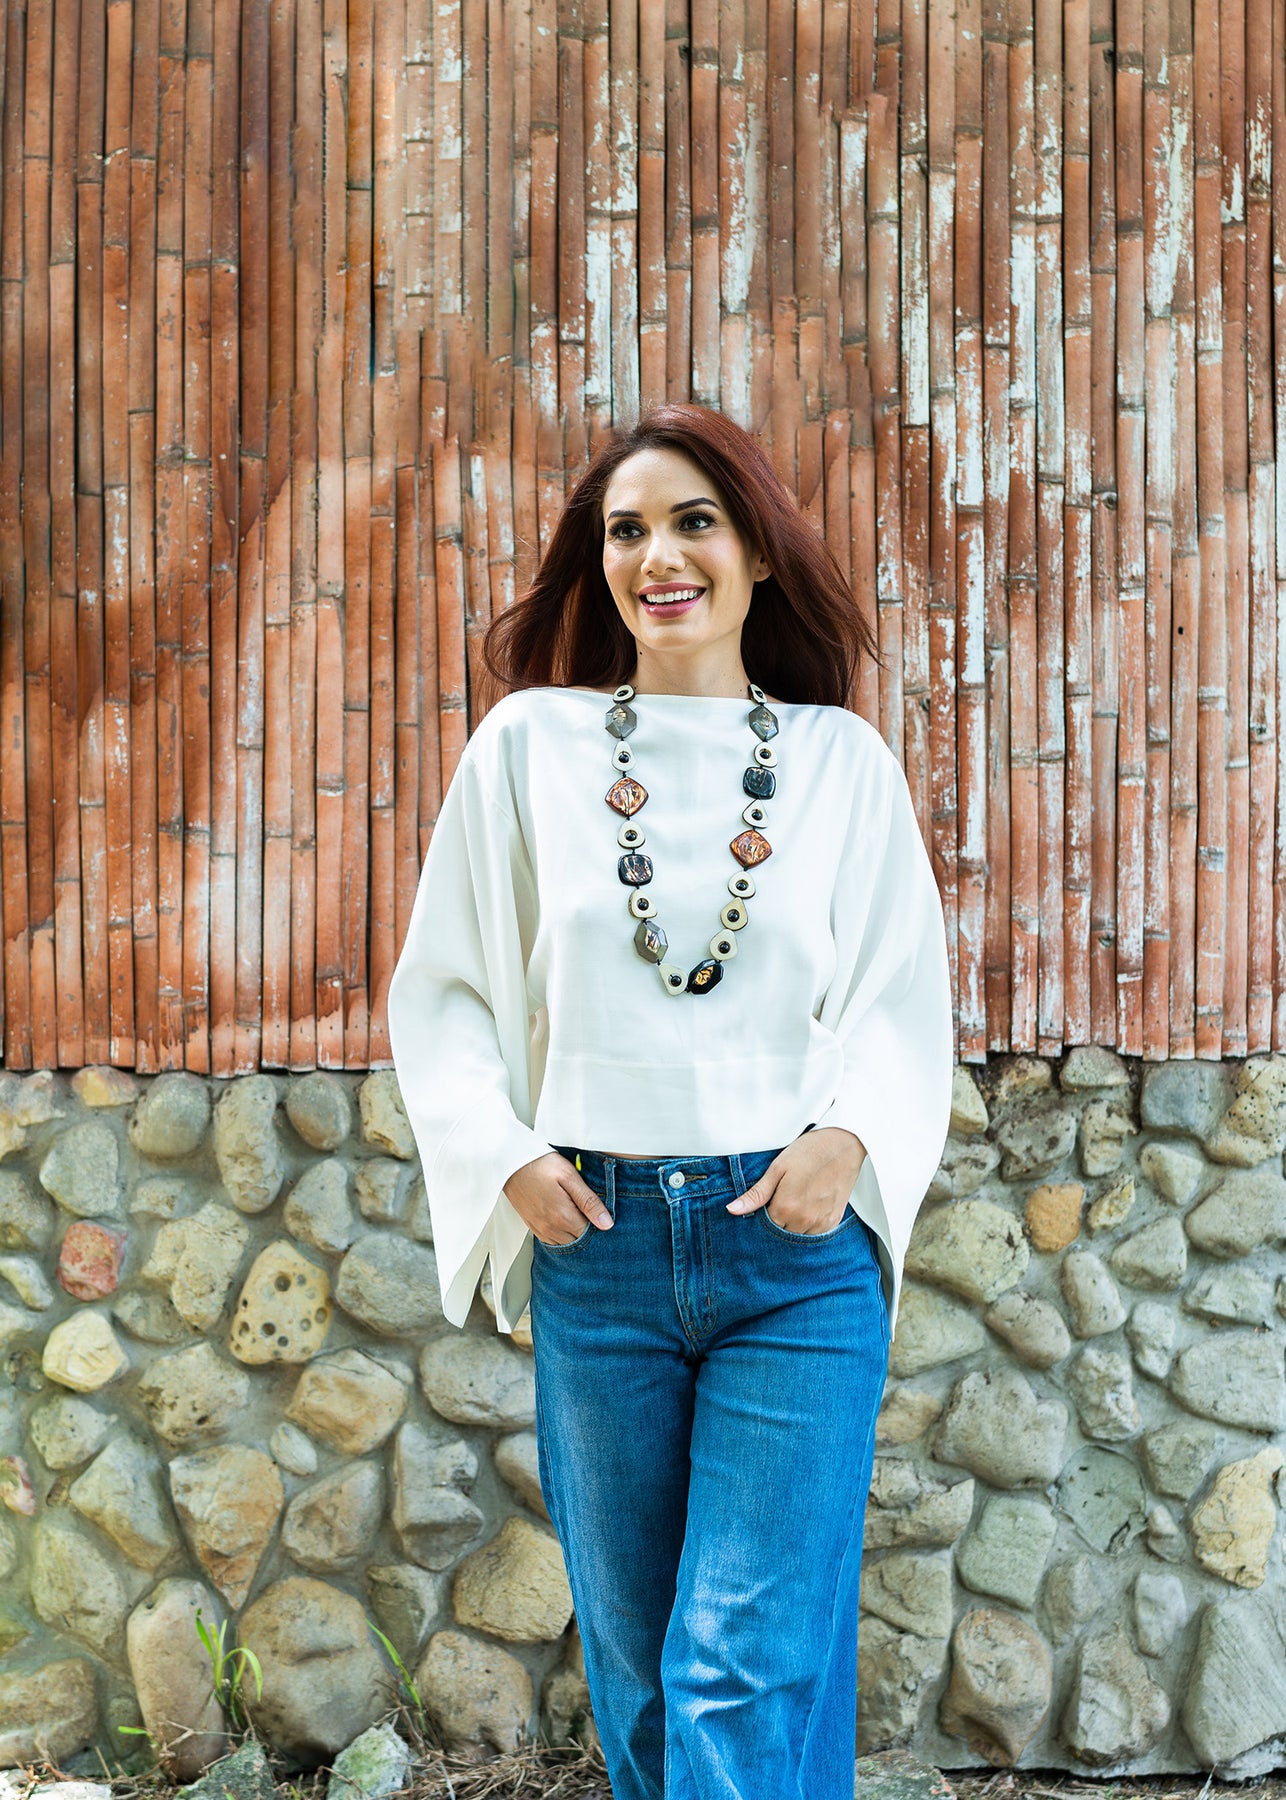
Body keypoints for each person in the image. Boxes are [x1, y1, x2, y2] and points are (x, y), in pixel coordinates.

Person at [386, 403, 954, 1800]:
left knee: (735, 1668)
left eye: (695, 521)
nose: (659, 557)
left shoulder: (839, 762)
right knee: (644, 1680)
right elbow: (442, 989)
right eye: (626, 530)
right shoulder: (528, 746)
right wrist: (504, 1155)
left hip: (791, 1255)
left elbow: (900, 1000)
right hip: (602, 1247)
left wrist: (848, 1140)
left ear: (757, 552)